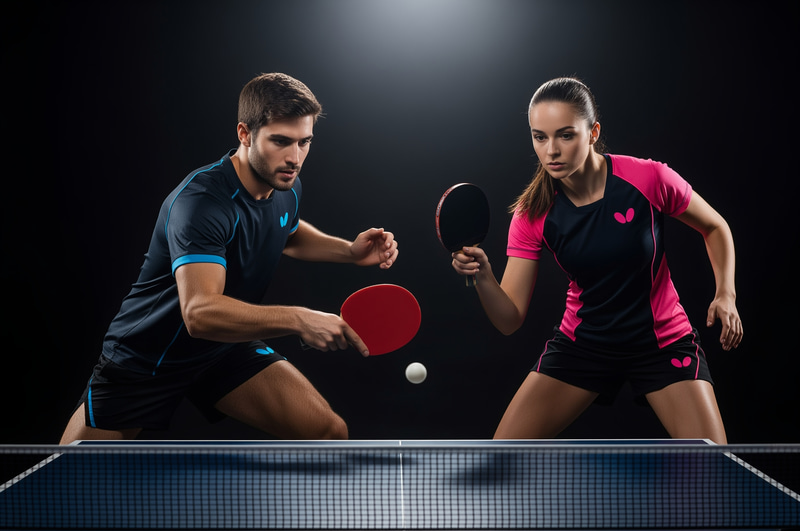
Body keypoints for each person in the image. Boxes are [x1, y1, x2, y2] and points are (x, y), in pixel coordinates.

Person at [60, 72, 399, 444]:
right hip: (148, 357)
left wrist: (348, 251)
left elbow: (286, 229)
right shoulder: (201, 204)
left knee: (328, 432)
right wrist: (299, 318)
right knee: (72, 482)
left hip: (223, 347)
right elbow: (200, 314)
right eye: (281, 142)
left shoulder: (284, 184)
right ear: (244, 134)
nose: (295, 157)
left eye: (305, 142)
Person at [451, 77, 742, 443]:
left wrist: (725, 293)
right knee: (503, 455)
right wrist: (483, 276)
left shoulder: (649, 178)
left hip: (662, 340)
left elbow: (715, 227)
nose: (551, 150)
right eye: (539, 137)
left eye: (565, 135)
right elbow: (509, 319)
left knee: (712, 474)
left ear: (592, 132)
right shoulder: (532, 214)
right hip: (583, 345)